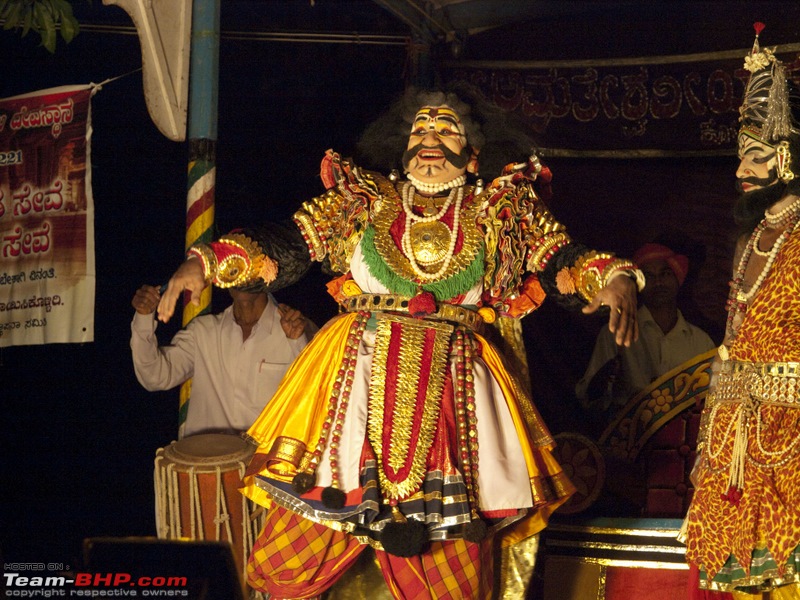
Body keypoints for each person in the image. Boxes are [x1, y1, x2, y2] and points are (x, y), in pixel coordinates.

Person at [156, 84, 644, 599]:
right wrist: (205, 263)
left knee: (451, 556)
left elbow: (562, 256)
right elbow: (286, 244)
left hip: (456, 399)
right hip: (354, 388)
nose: (430, 138)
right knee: (295, 549)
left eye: (445, 129)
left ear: (473, 153)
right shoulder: (361, 203)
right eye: (420, 129)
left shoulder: (503, 210)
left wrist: (611, 279)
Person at [680, 23, 800, 598]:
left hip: (790, 432)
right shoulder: (753, 238)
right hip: (734, 428)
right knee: (741, 578)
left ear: (788, 158)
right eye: (739, 157)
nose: (740, 171)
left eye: (754, 157)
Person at [131, 284, 315, 437]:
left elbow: (316, 396)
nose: (243, 277)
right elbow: (154, 377)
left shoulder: (298, 331)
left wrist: (298, 342)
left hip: (267, 473)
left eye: (250, 265)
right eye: (234, 267)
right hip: (205, 472)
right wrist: (144, 317)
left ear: (267, 274)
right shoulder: (203, 331)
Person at [576, 242, 715, 416]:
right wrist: (603, 384)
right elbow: (588, 399)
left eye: (664, 274)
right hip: (629, 439)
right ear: (637, 286)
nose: (658, 282)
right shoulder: (615, 332)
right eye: (648, 276)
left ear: (677, 278)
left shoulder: (701, 342)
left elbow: (713, 401)